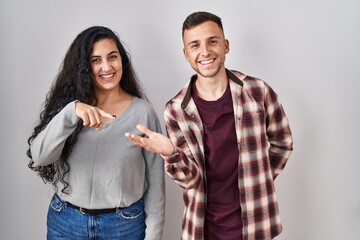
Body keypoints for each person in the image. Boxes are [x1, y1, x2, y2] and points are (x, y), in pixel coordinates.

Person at [126, 11, 293, 240]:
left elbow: (282, 142)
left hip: (256, 227)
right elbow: (191, 180)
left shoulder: (257, 91)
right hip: (203, 230)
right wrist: (171, 153)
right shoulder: (176, 110)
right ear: (186, 54)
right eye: (195, 45)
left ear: (226, 45)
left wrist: (259, 179)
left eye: (212, 41)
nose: (205, 52)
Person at [26, 26, 165, 240]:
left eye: (112, 57)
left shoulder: (142, 114)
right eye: (96, 60)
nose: (106, 67)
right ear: (83, 67)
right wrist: (72, 112)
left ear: (122, 61)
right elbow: (40, 156)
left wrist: (154, 236)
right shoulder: (69, 109)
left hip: (124, 226)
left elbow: (156, 185)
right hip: (66, 223)